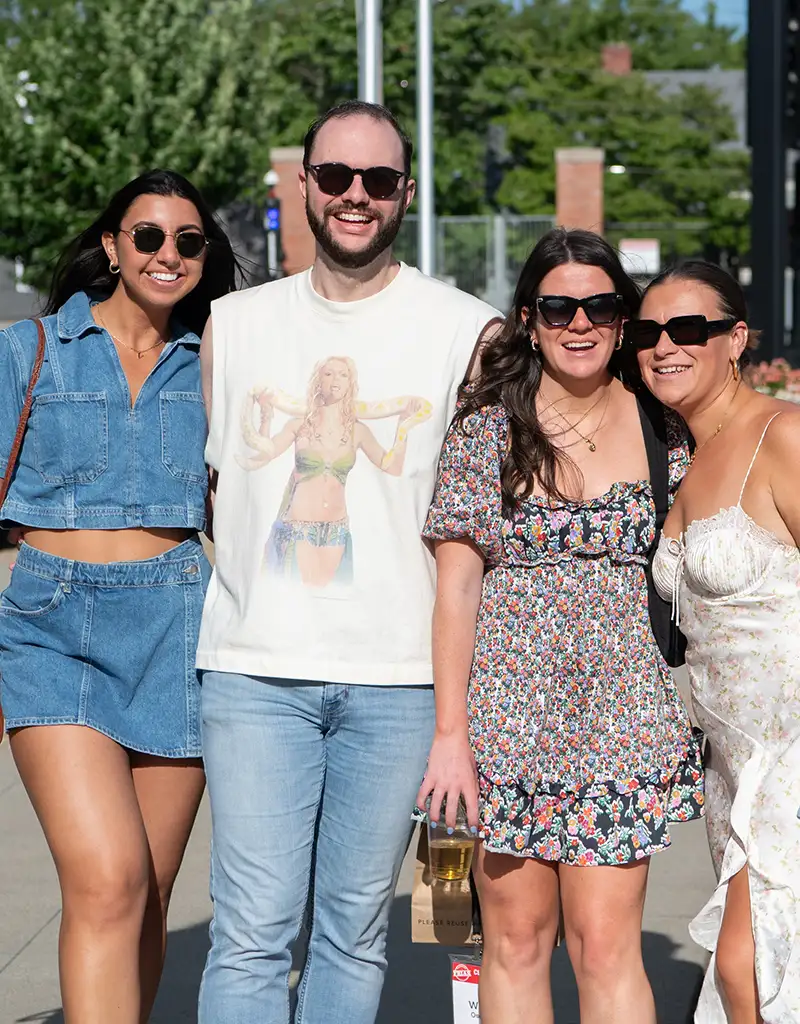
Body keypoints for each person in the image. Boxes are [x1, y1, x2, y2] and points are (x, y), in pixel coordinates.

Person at [196, 99, 499, 1024]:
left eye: (376, 180)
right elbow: (207, 492)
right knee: (248, 935)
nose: (354, 196)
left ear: (405, 192)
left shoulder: (467, 331)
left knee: (353, 933)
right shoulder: (232, 325)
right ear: (305, 186)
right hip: (255, 674)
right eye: (335, 177)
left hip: (400, 684)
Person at [417, 228, 704, 1024]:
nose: (580, 323)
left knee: (608, 946)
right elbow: (456, 592)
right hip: (505, 725)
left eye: (601, 305)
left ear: (623, 319)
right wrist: (451, 736)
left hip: (623, 722)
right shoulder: (485, 432)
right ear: (529, 318)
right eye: (558, 306)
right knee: (513, 940)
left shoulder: (665, 432)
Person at [0, 169, 238, 1024]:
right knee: (107, 879)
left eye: (187, 241)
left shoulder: (217, 363)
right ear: (112, 246)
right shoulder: (26, 352)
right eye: (147, 236)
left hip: (177, 623)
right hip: (48, 627)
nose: (166, 254)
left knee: (147, 895)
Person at [636, 261, 800, 1023]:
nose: (665, 345)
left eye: (688, 328)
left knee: (747, 968)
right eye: (647, 332)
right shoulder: (680, 455)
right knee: (758, 975)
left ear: (735, 338)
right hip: (728, 767)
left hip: (790, 752)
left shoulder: (784, 433)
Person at [237, 355, 431, 586]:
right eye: (328, 374)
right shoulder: (299, 425)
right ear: (318, 381)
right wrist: (266, 415)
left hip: (335, 534)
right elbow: (265, 452)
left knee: (332, 607)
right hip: (297, 531)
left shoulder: (358, 431)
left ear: (351, 383)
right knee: (292, 605)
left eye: (343, 374)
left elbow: (393, 466)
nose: (335, 379)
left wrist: (404, 425)